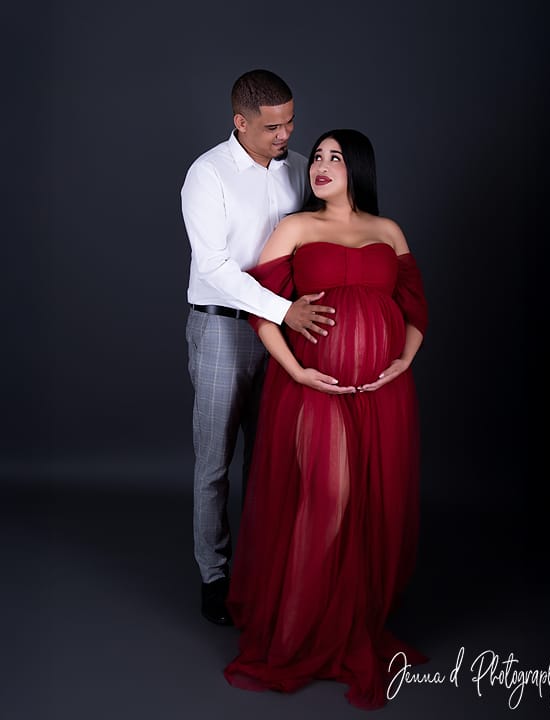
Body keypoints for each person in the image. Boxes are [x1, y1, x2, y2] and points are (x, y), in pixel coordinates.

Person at [223, 129, 429, 709]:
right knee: (327, 498)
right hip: (314, 389)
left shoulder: (388, 231)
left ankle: (351, 623)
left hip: (382, 392)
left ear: (357, 167)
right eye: (316, 156)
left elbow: (415, 305)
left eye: (335, 158)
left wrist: (403, 361)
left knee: (368, 503)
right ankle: (298, 631)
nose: (320, 165)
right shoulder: (295, 228)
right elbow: (261, 310)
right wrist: (296, 371)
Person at [181, 70, 336, 627]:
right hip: (223, 329)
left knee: (271, 458)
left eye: (290, 121)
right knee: (214, 462)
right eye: (273, 126)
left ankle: (261, 570)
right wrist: (283, 310)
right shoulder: (207, 174)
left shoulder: (300, 169)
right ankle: (214, 576)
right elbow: (214, 268)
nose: (286, 133)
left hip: (286, 333)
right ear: (240, 122)